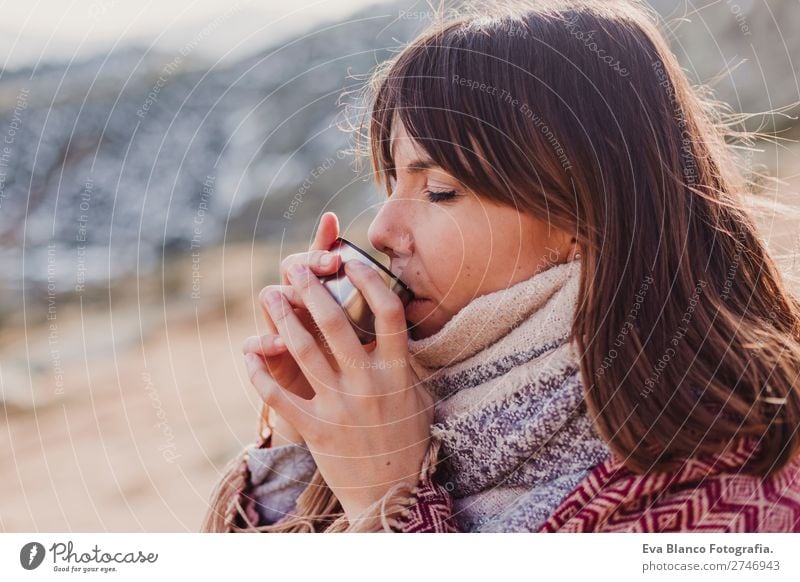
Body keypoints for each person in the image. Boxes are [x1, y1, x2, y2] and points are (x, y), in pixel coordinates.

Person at [201, 0, 800, 533]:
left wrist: (389, 499)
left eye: (438, 190)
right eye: (388, 183)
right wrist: (302, 441)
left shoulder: (737, 490)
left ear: (584, 219)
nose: (381, 231)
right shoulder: (405, 406)